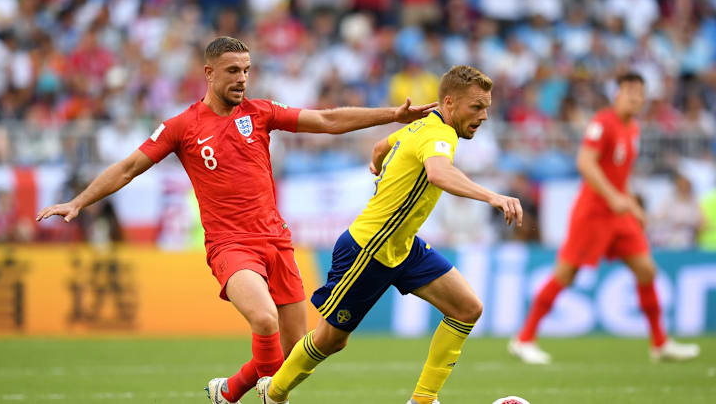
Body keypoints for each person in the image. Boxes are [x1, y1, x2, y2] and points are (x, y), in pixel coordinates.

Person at [35, 36, 438, 404]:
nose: (242, 78)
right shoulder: (182, 126)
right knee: (263, 320)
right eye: (233, 70)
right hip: (230, 245)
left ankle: (228, 391)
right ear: (209, 73)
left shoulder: (260, 113)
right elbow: (128, 168)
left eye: (246, 70)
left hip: (276, 242)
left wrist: (392, 114)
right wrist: (79, 202)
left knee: (295, 353)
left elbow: (327, 120)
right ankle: (267, 399)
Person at [255, 65, 523, 404]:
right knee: (331, 340)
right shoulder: (440, 135)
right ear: (450, 103)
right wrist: (493, 196)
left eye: (486, 107)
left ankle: (423, 400)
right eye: (476, 107)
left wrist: (380, 166)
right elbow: (439, 173)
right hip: (368, 248)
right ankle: (274, 393)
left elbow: (382, 145)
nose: (484, 116)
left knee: (467, 308)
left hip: (403, 245)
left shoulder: (423, 125)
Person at [509, 72, 700, 364]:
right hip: (593, 213)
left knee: (646, 270)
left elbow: (620, 176)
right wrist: (613, 197)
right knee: (566, 274)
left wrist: (633, 205)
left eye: (640, 93)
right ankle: (524, 339)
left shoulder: (633, 128)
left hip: (619, 214)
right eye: (629, 92)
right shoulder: (602, 122)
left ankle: (660, 344)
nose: (635, 98)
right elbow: (585, 162)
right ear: (617, 94)